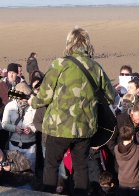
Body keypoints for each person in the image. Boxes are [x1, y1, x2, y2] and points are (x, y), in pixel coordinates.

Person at [28, 27, 115, 195]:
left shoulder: (60, 64)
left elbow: (44, 96)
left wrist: (34, 102)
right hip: (85, 129)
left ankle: (48, 193)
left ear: (70, 43)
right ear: (87, 43)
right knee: (81, 166)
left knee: (51, 165)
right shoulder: (96, 67)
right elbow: (111, 97)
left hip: (58, 127)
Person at [2, 82, 37, 171]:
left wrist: (31, 129)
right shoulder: (9, 106)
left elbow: (39, 124)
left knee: (30, 171)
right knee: (15, 171)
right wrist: (14, 128)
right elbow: (4, 124)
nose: (25, 99)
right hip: (14, 145)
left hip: (30, 147)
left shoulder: (34, 107)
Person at [114, 126, 139, 196]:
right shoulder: (137, 148)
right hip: (135, 181)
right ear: (132, 137)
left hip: (122, 181)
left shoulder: (116, 148)